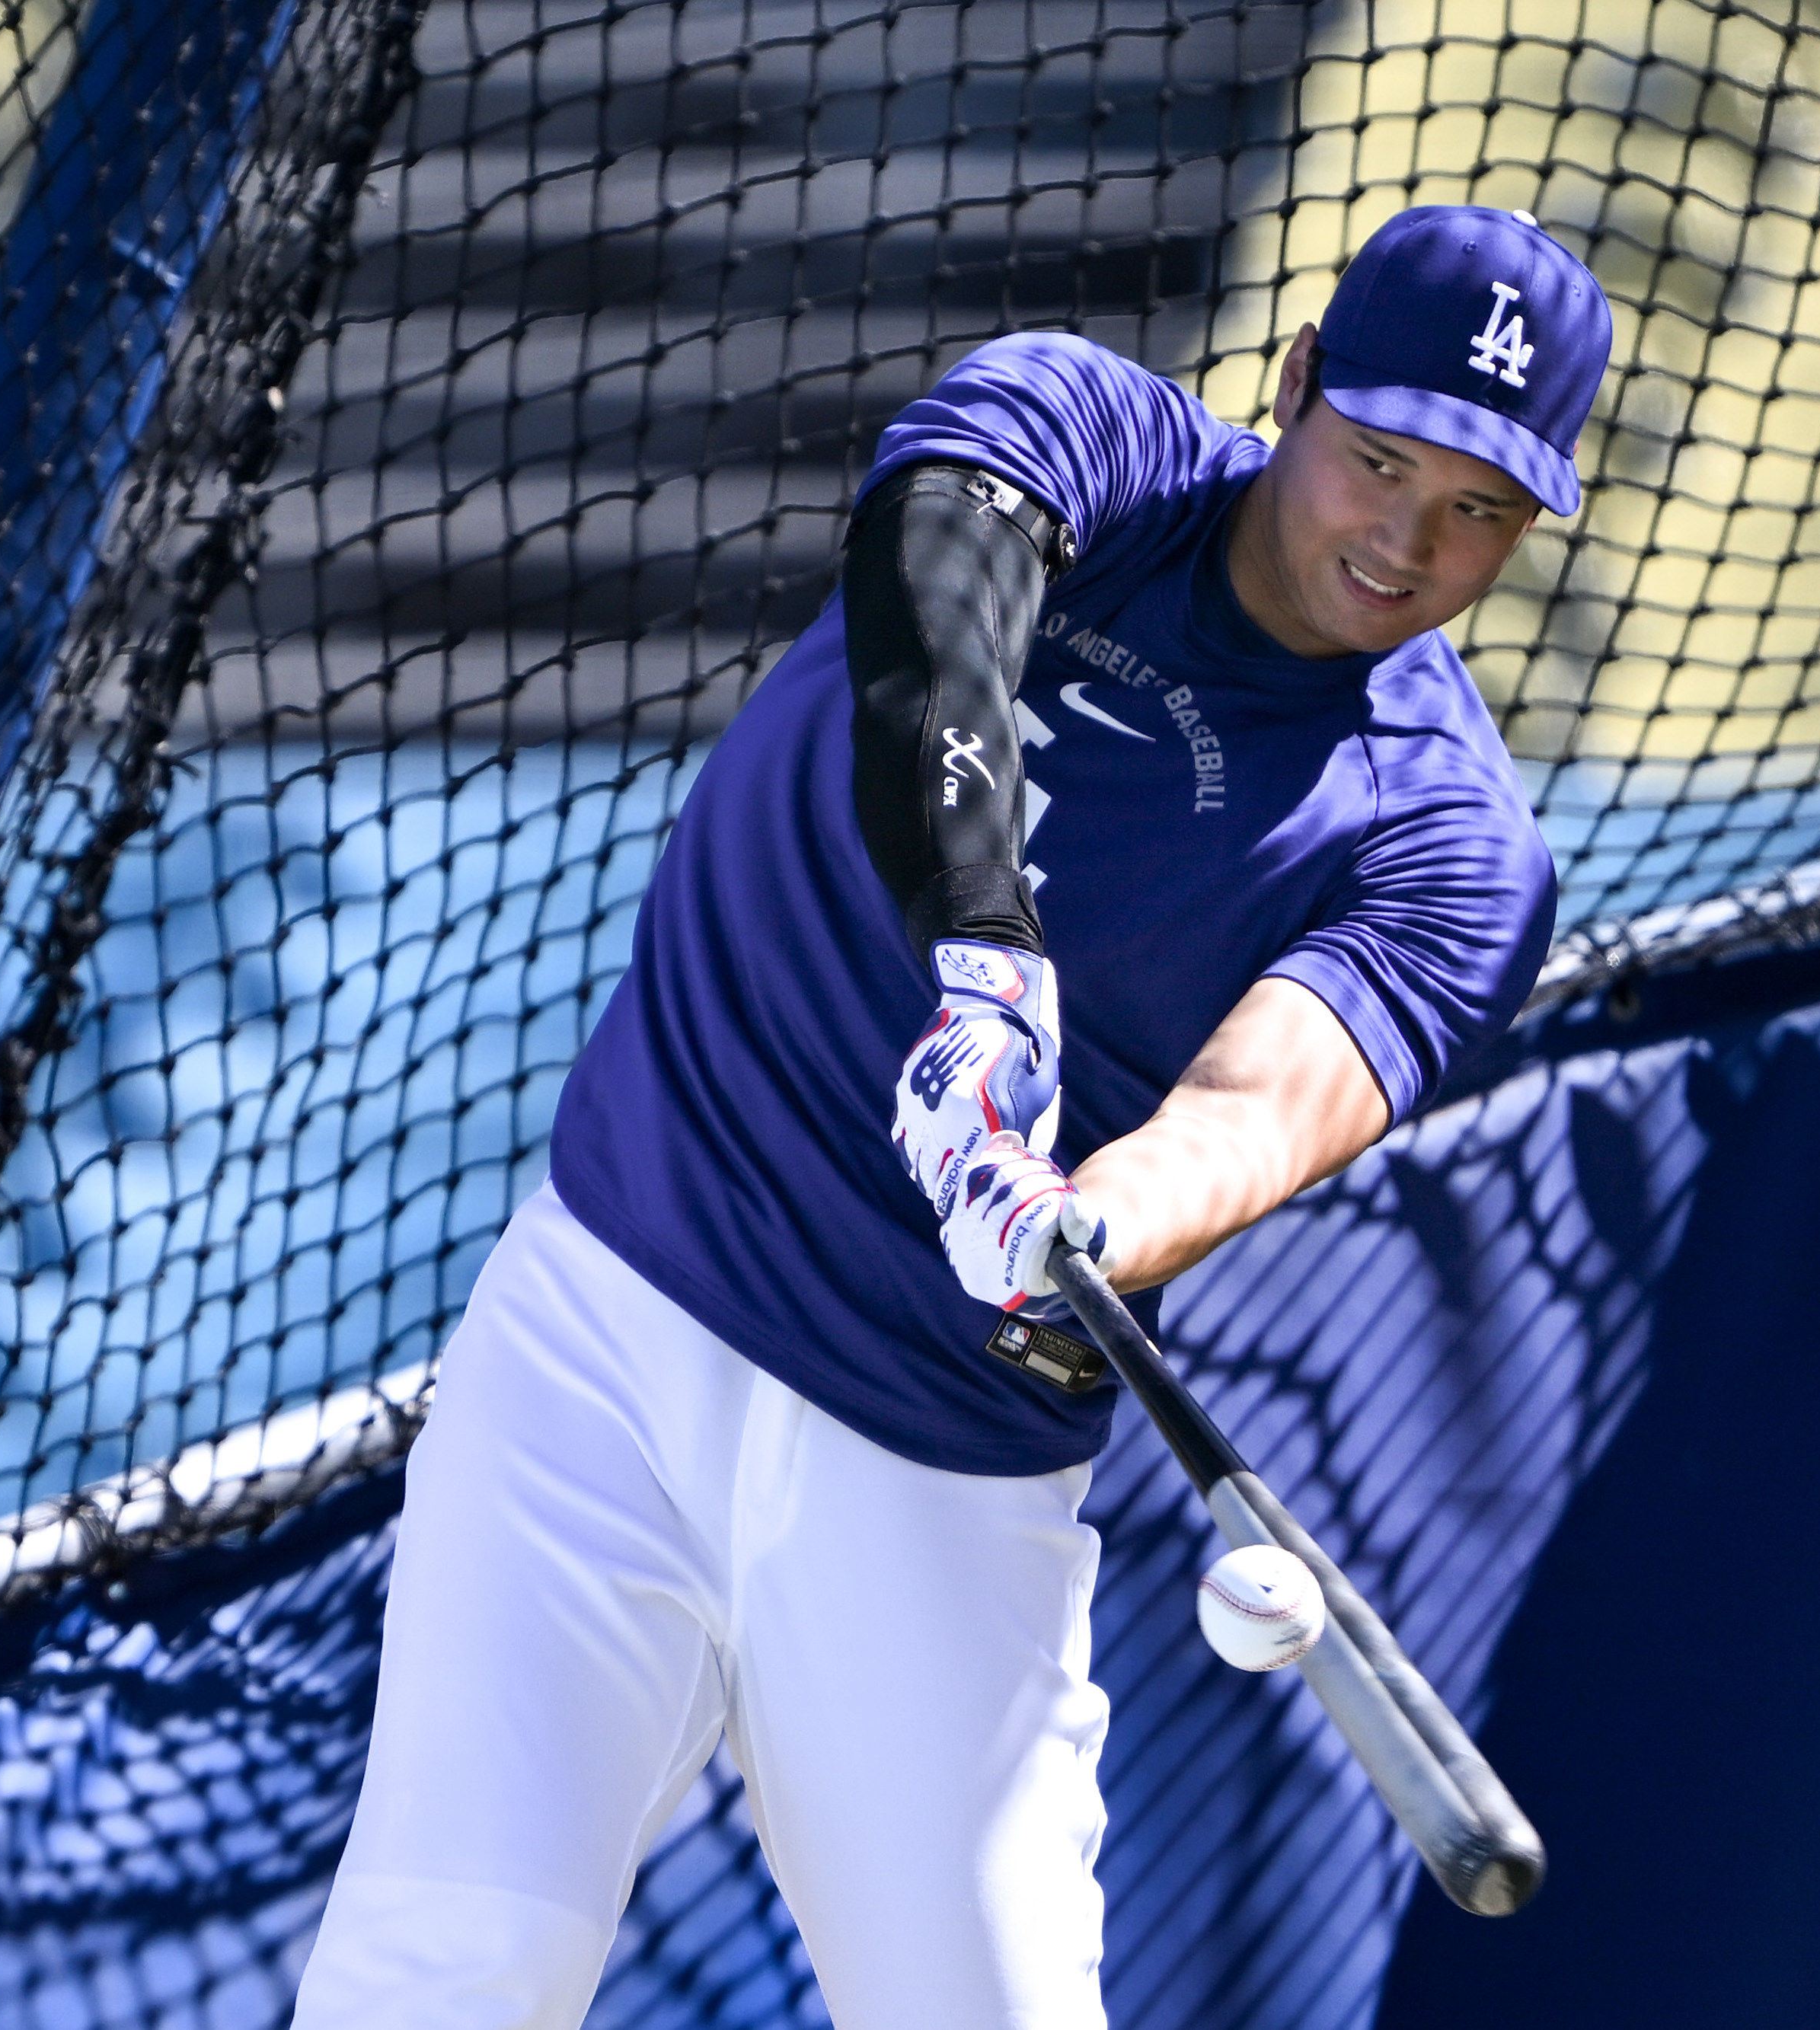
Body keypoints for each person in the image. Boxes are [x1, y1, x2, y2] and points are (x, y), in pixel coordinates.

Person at [287, 206, 1612, 2029]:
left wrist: (1089, 1222)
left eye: (1476, 506)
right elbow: (934, 645)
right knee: (447, 1969)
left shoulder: (1454, 847)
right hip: (608, 1332)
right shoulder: (1081, 432)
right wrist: (987, 966)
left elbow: (1262, 1105)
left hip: (928, 1463)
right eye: (1374, 460)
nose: (1403, 539)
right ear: (1292, 384)